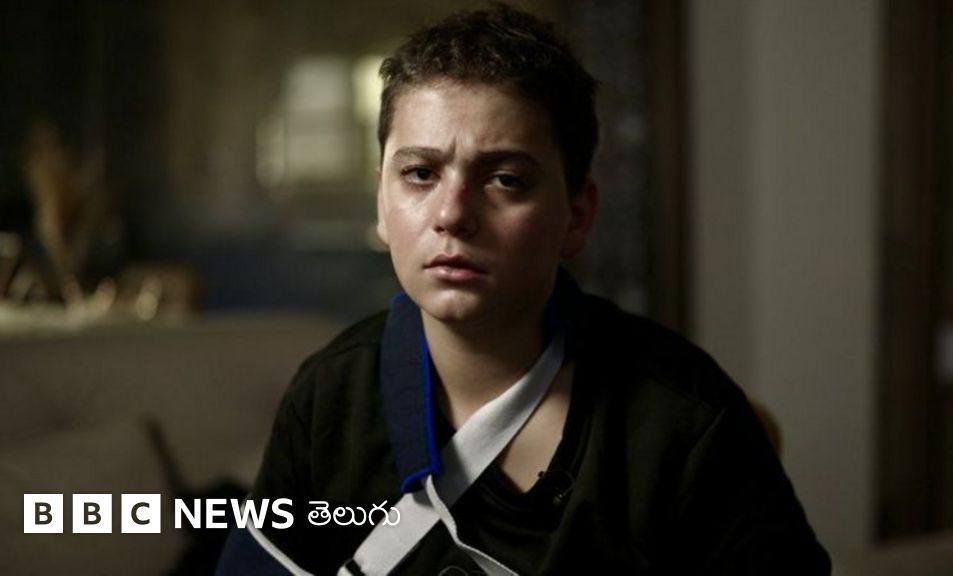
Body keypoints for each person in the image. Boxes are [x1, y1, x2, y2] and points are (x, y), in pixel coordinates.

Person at [217, 4, 831, 575]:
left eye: (506, 179)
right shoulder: (330, 396)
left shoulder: (683, 420)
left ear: (577, 215)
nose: (452, 214)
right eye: (420, 173)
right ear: (382, 202)